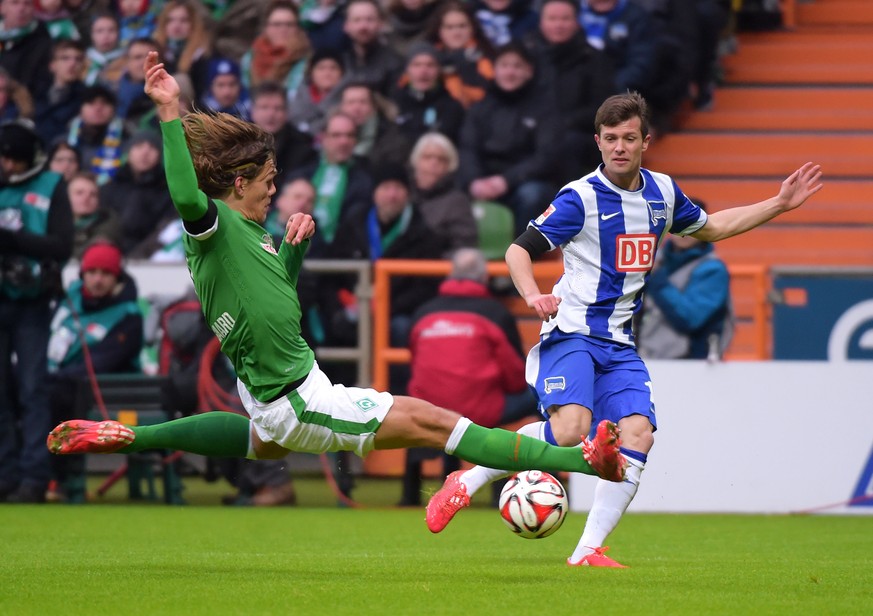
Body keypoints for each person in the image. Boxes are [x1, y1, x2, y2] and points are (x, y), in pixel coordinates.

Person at [46, 52, 627, 507]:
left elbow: (274, 305)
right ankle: (583, 460)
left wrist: (292, 256)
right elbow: (182, 191)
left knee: (263, 439)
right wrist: (170, 112)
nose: (274, 190)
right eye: (268, 180)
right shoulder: (214, 223)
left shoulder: (249, 234)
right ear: (240, 181)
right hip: (300, 396)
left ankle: (133, 436)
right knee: (437, 422)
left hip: (276, 391)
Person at [425, 91, 823, 566]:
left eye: (628, 138)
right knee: (570, 430)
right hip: (571, 333)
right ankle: (466, 480)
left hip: (619, 345)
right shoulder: (581, 197)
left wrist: (778, 204)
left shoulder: (663, 193)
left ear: (645, 142)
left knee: (638, 435)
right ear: (598, 142)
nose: (619, 147)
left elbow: (713, 227)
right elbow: (518, 251)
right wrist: (533, 294)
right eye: (610, 138)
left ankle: (587, 551)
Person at [401, 247, 537, 505]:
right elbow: (515, 376)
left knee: (445, 401)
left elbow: (415, 362)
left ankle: (410, 494)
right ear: (484, 279)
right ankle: (543, 479)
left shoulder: (423, 313)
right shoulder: (495, 314)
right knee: (541, 396)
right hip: (480, 410)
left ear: (451, 275)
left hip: (428, 408)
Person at [0, 119, 73, 503]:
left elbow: (62, 245)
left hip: (32, 301)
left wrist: (12, 240)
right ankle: (4, 475)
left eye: (12, 159)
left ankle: (34, 476)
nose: (7, 165)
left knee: (32, 389)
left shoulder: (51, 185)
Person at [46, 240, 143, 502]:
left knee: (54, 396)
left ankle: (58, 479)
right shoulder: (68, 301)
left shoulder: (129, 315)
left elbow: (104, 361)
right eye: (92, 273)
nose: (97, 280)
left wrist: (53, 377)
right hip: (55, 382)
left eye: (105, 274)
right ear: (83, 274)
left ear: (117, 278)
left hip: (99, 393)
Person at [456, 41, 559, 236]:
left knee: (532, 195)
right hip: (484, 181)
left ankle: (522, 255)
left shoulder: (544, 108)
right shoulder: (481, 108)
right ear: (495, 70)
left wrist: (506, 181)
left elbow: (546, 156)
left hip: (525, 183)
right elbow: (468, 148)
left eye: (517, 66)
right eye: (504, 65)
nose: (510, 72)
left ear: (529, 71)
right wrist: (474, 181)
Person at [636, 199, 732, 360]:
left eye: (693, 224)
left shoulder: (713, 269)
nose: (685, 231)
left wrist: (658, 280)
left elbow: (690, 318)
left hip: (695, 365)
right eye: (680, 223)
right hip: (647, 358)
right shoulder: (651, 261)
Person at [408, 131, 476, 257]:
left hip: (438, 269)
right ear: (415, 161)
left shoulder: (458, 202)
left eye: (441, 159)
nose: (434, 163)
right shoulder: (402, 196)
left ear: (450, 166)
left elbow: (464, 246)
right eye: (427, 157)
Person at [240, 1, 311, 100]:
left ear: (297, 28)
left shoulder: (308, 61)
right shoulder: (250, 58)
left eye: (289, 24)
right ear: (266, 27)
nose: (283, 29)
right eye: (276, 24)